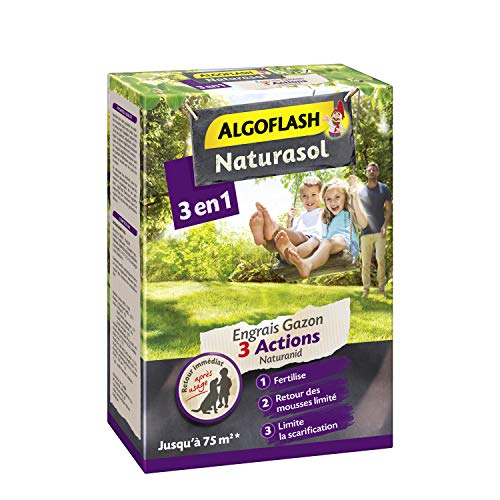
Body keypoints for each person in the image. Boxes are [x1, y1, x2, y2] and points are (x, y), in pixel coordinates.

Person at [284, 177, 367, 279]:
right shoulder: (326, 217)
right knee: (315, 240)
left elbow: (364, 224)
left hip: (347, 243)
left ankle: (308, 265)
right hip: (330, 244)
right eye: (328, 199)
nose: (333, 202)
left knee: (326, 242)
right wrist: (290, 222)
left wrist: (354, 194)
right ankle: (295, 253)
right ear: (324, 201)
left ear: (345, 198)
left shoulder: (348, 213)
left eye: (337, 197)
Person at [249, 176, 325, 261]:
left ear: (321, 196)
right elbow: (291, 233)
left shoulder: (324, 213)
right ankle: (262, 239)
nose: (309, 199)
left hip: (310, 243)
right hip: (292, 248)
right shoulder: (299, 218)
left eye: (313, 195)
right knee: (276, 241)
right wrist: (289, 221)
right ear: (300, 198)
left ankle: (275, 227)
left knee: (299, 236)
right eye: (304, 196)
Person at [358, 162, 392, 297]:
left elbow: (388, 210)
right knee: (365, 263)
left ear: (377, 173)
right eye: (369, 170)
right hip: (365, 232)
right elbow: (356, 210)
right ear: (366, 173)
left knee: (380, 260)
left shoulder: (384, 189)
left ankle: (381, 288)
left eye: (374, 170)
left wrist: (385, 225)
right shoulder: (361, 191)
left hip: (379, 231)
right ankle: (365, 290)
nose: (371, 172)